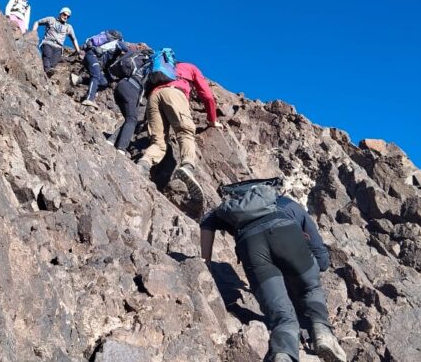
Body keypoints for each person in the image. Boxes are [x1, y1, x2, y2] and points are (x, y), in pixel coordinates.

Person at [200, 178, 347, 362]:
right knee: (310, 288)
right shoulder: (287, 203)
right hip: (287, 234)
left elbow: (207, 221)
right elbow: (323, 260)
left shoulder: (234, 209)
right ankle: (323, 334)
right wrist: (310, 267)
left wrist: (205, 263)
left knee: (281, 315)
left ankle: (283, 355)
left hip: (251, 244)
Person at [136, 58, 221, 201]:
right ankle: (187, 166)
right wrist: (212, 120)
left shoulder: (161, 71)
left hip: (153, 97)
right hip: (174, 93)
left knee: (158, 142)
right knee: (185, 133)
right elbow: (207, 95)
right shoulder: (190, 67)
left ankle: (143, 164)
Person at [109, 47, 153, 153]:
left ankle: (111, 140)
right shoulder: (151, 67)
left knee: (129, 119)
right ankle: (121, 148)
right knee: (132, 119)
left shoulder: (139, 58)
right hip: (132, 88)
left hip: (121, 85)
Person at [77, 30, 129, 108]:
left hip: (91, 58)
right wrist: (130, 52)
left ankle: (79, 79)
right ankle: (89, 99)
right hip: (92, 55)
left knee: (104, 82)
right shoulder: (118, 42)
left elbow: (106, 66)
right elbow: (125, 48)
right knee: (96, 76)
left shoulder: (111, 50)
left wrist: (110, 78)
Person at [32, 7, 80, 75]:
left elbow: (74, 39)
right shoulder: (51, 19)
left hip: (58, 47)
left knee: (53, 64)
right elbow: (37, 22)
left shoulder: (68, 27)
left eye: (68, 16)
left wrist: (78, 51)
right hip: (48, 43)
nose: (66, 17)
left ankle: (47, 75)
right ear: (60, 14)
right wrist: (33, 33)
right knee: (47, 56)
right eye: (64, 14)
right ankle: (47, 71)